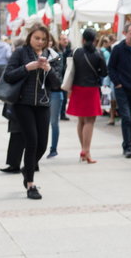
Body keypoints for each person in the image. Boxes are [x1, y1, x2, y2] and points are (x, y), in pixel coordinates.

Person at [2, 23, 62, 199]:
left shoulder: (52, 56)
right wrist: (28, 67)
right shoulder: (21, 53)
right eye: (37, 38)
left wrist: (47, 69)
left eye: (43, 39)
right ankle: (30, 184)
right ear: (30, 38)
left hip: (43, 104)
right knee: (32, 142)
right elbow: (8, 75)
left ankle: (26, 168)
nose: (40, 42)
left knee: (42, 144)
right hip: (23, 103)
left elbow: (57, 83)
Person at [67, 28, 108, 163]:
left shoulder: (77, 52)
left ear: (83, 39)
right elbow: (104, 73)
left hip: (77, 88)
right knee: (90, 121)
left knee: (81, 121)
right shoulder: (98, 54)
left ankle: (83, 150)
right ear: (95, 40)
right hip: (91, 89)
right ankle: (86, 150)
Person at [108, 23, 131, 158]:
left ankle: (128, 143)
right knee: (126, 117)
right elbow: (111, 68)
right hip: (122, 89)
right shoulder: (118, 49)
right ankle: (127, 147)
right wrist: (117, 83)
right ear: (125, 33)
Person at [46, 33, 65, 158]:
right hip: (43, 93)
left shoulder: (57, 57)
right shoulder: (34, 55)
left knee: (53, 122)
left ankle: (53, 148)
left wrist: (48, 67)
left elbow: (58, 80)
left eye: (47, 40)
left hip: (55, 92)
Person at [59, 34, 72, 120]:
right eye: (63, 39)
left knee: (64, 96)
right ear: (59, 40)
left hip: (65, 76)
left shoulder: (69, 50)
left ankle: (62, 114)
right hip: (58, 76)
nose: (65, 41)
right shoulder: (57, 50)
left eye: (66, 39)